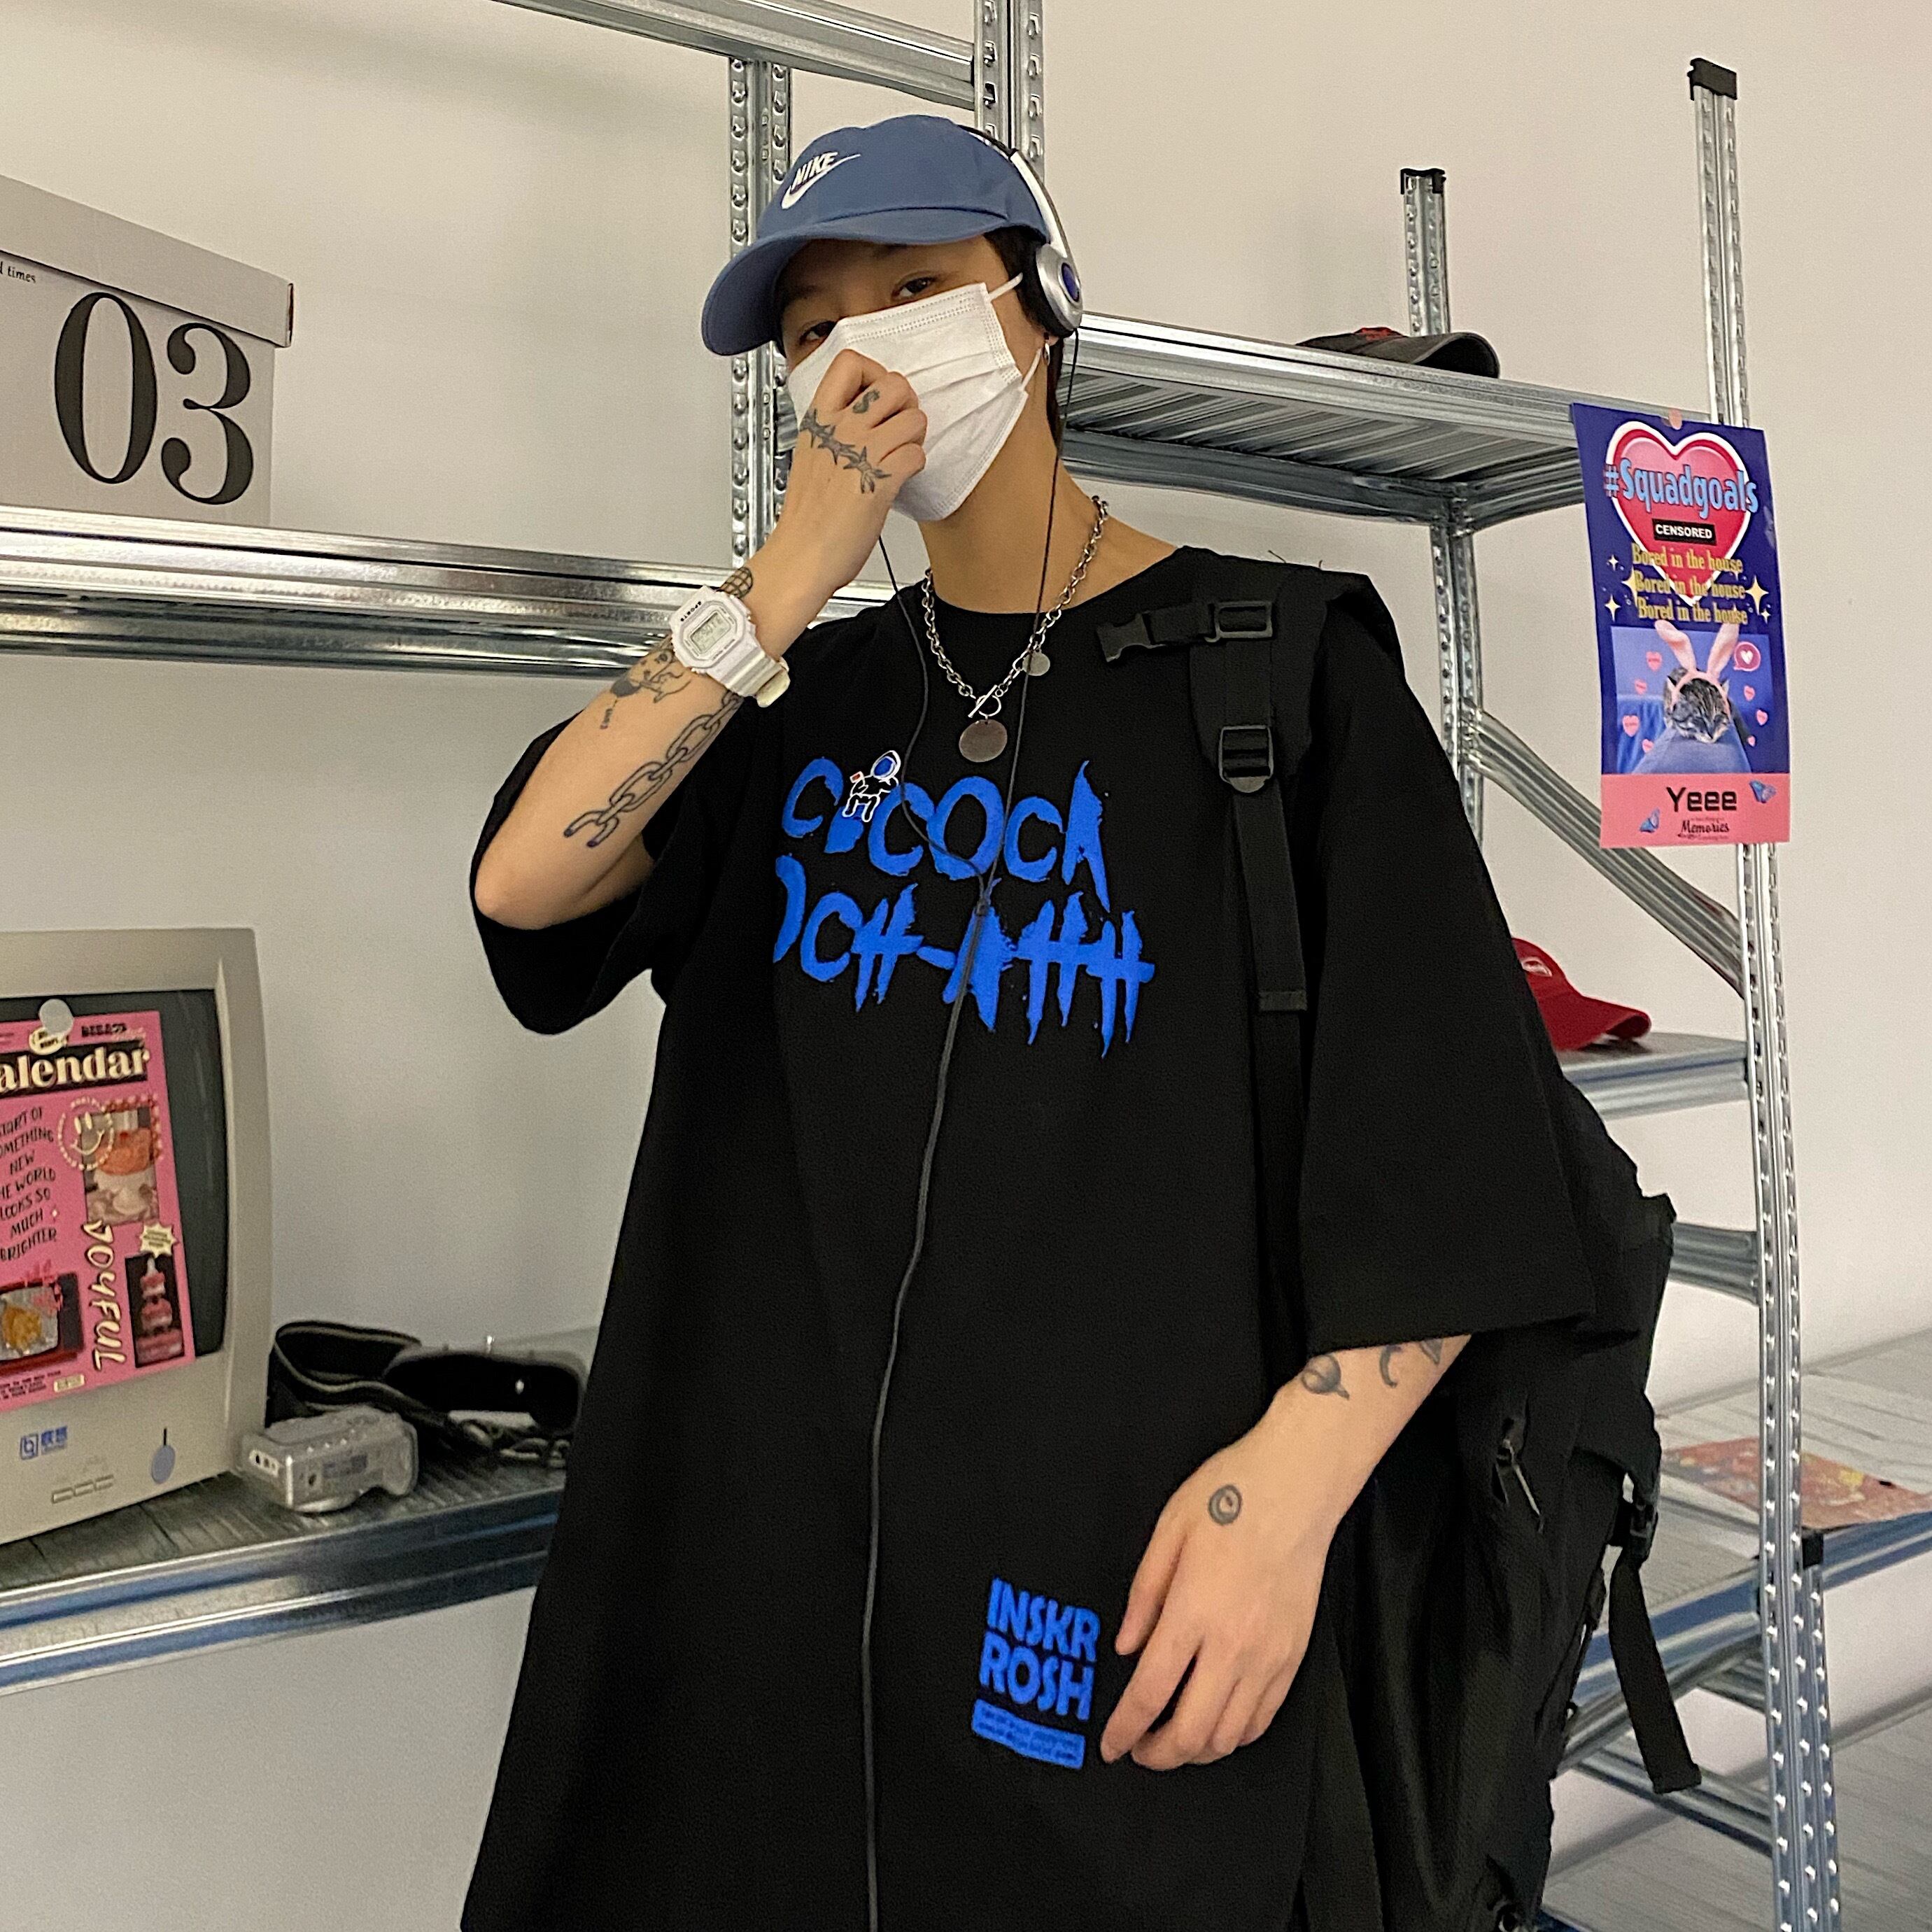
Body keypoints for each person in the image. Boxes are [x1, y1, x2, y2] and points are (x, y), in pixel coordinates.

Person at [463, 113, 1598, 1932]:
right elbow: (527, 887)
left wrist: (1288, 1497)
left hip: (1107, 1614)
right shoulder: (789, 698)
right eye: (813, 327)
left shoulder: (1281, 669)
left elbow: (1452, 1141)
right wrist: (785, 577)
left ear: (1040, 306)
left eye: (915, 288)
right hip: (761, 1619)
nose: (863, 351)